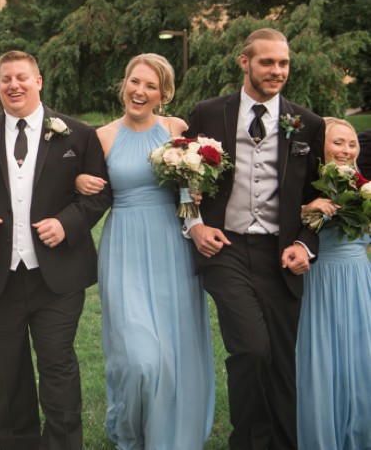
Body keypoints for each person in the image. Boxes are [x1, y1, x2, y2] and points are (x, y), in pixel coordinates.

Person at [0, 50, 112, 450]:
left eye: (22, 77)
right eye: (5, 79)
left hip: (57, 278)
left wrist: (66, 223)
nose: (13, 85)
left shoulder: (78, 135)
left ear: (38, 81)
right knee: (4, 375)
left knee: (58, 367)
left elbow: (98, 195)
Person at [185, 27, 323, 450]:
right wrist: (195, 225)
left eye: (283, 63)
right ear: (244, 62)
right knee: (251, 350)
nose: (277, 71)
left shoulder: (308, 124)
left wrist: (305, 245)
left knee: (282, 362)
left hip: (280, 252)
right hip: (226, 248)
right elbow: (181, 175)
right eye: (267, 62)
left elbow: (316, 196)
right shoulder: (209, 113)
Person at [76, 54, 214, 448]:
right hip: (125, 249)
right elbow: (75, 187)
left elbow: (191, 192)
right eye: (135, 82)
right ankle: (130, 430)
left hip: (173, 245)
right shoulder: (101, 137)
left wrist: (196, 198)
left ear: (163, 94)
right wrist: (80, 179)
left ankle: (173, 432)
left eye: (150, 86)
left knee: (174, 349)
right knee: (139, 358)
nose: (140, 91)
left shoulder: (177, 130)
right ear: (124, 85)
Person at [296, 117, 371, 448]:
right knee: (322, 361)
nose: (346, 150)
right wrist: (310, 208)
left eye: (351, 143)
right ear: (320, 145)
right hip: (320, 281)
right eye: (338, 142)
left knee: (360, 360)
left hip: (358, 281)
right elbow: (281, 222)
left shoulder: (362, 186)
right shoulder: (306, 184)